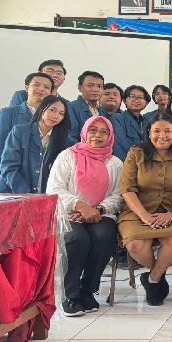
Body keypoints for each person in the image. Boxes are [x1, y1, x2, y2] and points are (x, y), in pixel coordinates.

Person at [118, 112, 172, 306]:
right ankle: (159, 277)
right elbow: (127, 189)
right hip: (138, 210)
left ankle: (152, 280)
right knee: (136, 245)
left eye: (167, 131)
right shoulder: (136, 153)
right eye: (157, 131)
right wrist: (144, 216)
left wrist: (171, 214)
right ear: (149, 132)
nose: (162, 136)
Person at [47, 116, 123, 316]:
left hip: (102, 213)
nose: (98, 135)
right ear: (84, 132)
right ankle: (71, 295)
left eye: (104, 132)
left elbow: (119, 195)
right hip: (69, 213)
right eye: (93, 130)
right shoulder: (67, 156)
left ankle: (88, 290)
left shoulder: (115, 162)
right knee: (77, 239)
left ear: (110, 136)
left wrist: (98, 209)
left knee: (104, 237)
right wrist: (80, 206)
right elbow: (54, 189)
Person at [0, 95, 70, 193]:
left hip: (42, 195)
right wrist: (26, 194)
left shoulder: (62, 140)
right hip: (11, 193)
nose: (56, 116)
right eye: (52, 110)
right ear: (42, 109)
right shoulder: (20, 132)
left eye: (61, 113)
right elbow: (8, 167)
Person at [0, 72, 54, 182]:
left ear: (51, 93)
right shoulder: (8, 113)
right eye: (36, 85)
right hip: (13, 174)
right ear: (27, 87)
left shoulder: (54, 117)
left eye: (47, 87)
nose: (41, 89)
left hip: (44, 177)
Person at [111, 85, 150, 160]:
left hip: (145, 163)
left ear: (146, 103)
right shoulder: (117, 119)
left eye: (141, 97)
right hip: (126, 163)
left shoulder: (147, 121)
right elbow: (119, 147)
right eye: (132, 96)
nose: (137, 100)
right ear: (124, 100)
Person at [68, 71, 109, 143]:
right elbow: (70, 138)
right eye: (90, 86)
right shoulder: (71, 107)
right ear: (80, 87)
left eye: (99, 86)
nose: (95, 90)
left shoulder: (103, 112)